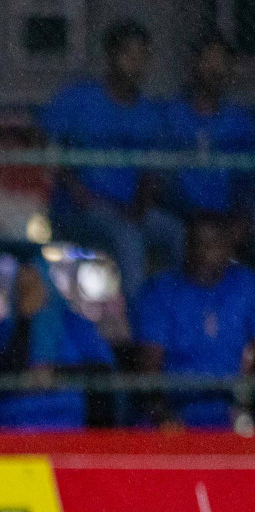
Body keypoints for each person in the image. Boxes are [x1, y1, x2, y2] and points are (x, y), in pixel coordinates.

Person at [42, 20, 183, 307]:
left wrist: (141, 205)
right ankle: (138, 330)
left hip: (128, 209)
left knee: (175, 232)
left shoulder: (148, 112)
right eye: (130, 55)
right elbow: (46, 146)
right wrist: (74, 188)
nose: (137, 64)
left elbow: (152, 171)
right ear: (111, 56)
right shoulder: (78, 98)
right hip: (80, 211)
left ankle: (174, 312)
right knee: (127, 238)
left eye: (143, 56)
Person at [135, 214, 255, 429]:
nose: (203, 253)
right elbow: (149, 365)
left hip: (235, 410)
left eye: (212, 244)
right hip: (178, 411)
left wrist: (246, 408)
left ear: (227, 248)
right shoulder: (161, 290)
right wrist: (164, 415)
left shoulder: (246, 285)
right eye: (196, 244)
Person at [0, 256, 113, 430]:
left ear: (46, 285)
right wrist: (24, 322)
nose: (27, 293)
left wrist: (55, 373)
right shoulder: (3, 330)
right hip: (15, 423)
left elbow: (102, 370)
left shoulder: (75, 325)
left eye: (32, 286)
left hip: (67, 421)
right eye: (21, 288)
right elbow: (3, 376)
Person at [161, 33, 255, 227]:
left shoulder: (240, 121)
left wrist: (239, 221)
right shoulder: (170, 115)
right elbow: (160, 177)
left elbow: (247, 181)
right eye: (210, 60)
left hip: (229, 220)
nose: (216, 69)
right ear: (195, 63)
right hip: (180, 218)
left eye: (223, 62)